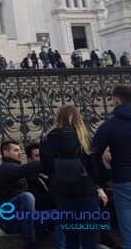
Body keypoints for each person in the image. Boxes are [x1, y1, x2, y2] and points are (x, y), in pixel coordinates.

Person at [40, 105, 106, 249]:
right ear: (78, 118)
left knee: (70, 239)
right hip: (86, 193)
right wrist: (98, 187)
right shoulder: (85, 137)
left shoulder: (46, 139)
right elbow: (94, 170)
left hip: (63, 194)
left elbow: (44, 168)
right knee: (89, 239)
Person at [93, 85, 131, 247]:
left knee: (128, 228)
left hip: (123, 179)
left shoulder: (108, 126)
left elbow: (93, 155)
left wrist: (106, 176)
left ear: (116, 100)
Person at [0, 140, 43, 249]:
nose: (20, 153)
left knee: (58, 215)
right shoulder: (4, 169)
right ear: (6, 153)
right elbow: (23, 169)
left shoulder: (18, 170)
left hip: (24, 219)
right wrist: (46, 162)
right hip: (6, 219)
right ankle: (29, 243)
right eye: (16, 150)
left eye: (20, 150)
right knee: (27, 196)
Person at [24, 142, 56, 211]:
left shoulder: (54, 173)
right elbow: (39, 204)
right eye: (37, 156)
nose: (42, 158)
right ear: (30, 159)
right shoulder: (28, 180)